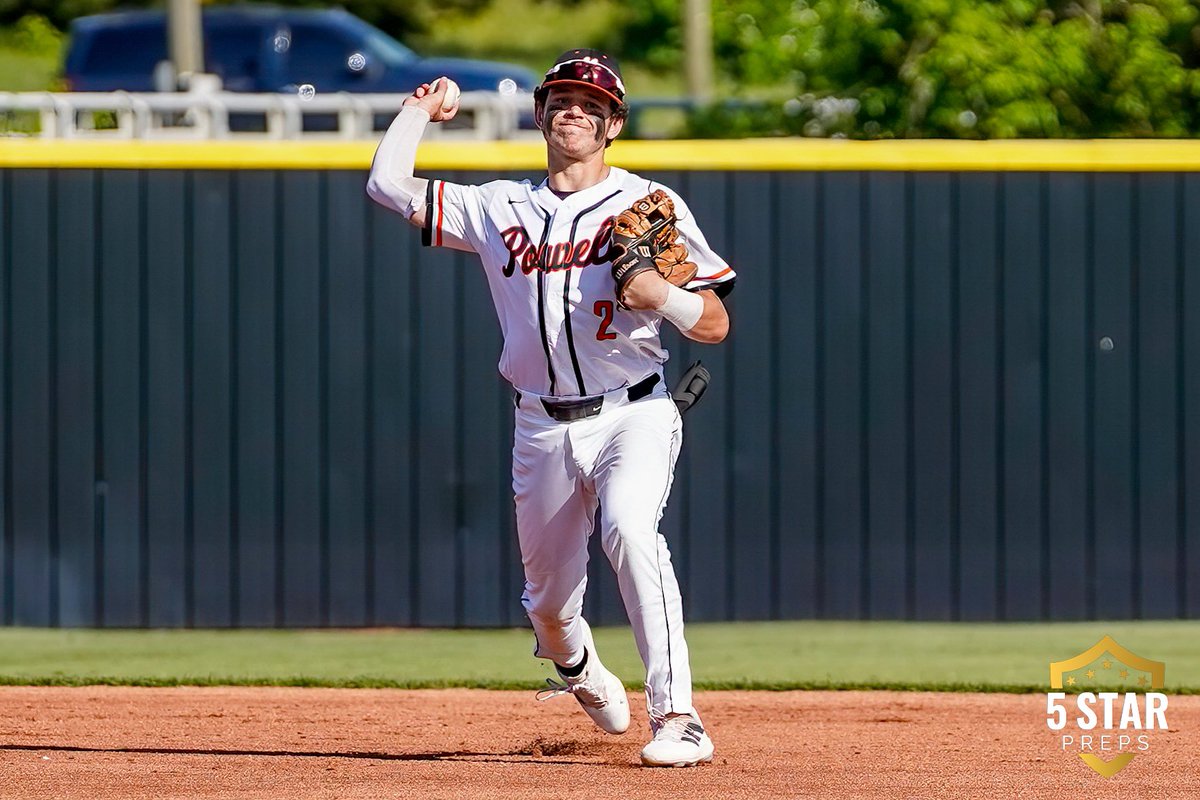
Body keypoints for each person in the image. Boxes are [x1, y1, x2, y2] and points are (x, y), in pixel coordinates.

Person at [366, 49, 735, 768]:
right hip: (539, 423)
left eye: (593, 104)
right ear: (540, 115)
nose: (575, 109)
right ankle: (579, 670)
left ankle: (680, 717)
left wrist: (661, 294)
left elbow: (715, 323)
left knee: (631, 530)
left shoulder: (646, 205)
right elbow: (387, 184)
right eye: (562, 99)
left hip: (635, 410)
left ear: (614, 125)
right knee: (547, 606)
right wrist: (418, 110)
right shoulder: (497, 206)